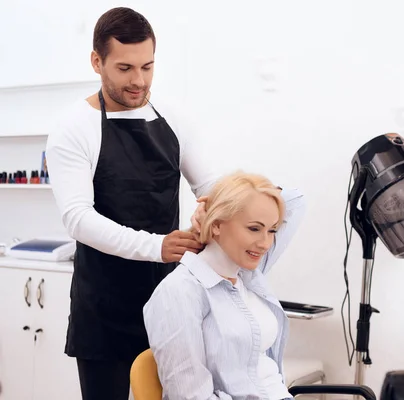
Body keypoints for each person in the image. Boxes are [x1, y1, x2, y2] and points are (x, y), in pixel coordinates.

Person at [45, 7, 302, 400]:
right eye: (125, 68)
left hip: (170, 294)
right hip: (106, 303)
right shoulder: (73, 128)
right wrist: (156, 245)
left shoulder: (171, 115)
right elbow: (78, 218)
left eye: (147, 67)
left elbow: (209, 184)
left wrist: (214, 207)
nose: (139, 81)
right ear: (97, 62)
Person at [143, 171, 306, 400]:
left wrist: (219, 201)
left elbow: (295, 200)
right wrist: (215, 209)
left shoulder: (247, 274)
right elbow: (190, 397)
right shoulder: (180, 293)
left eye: (272, 230)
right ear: (217, 225)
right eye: (254, 228)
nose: (265, 243)